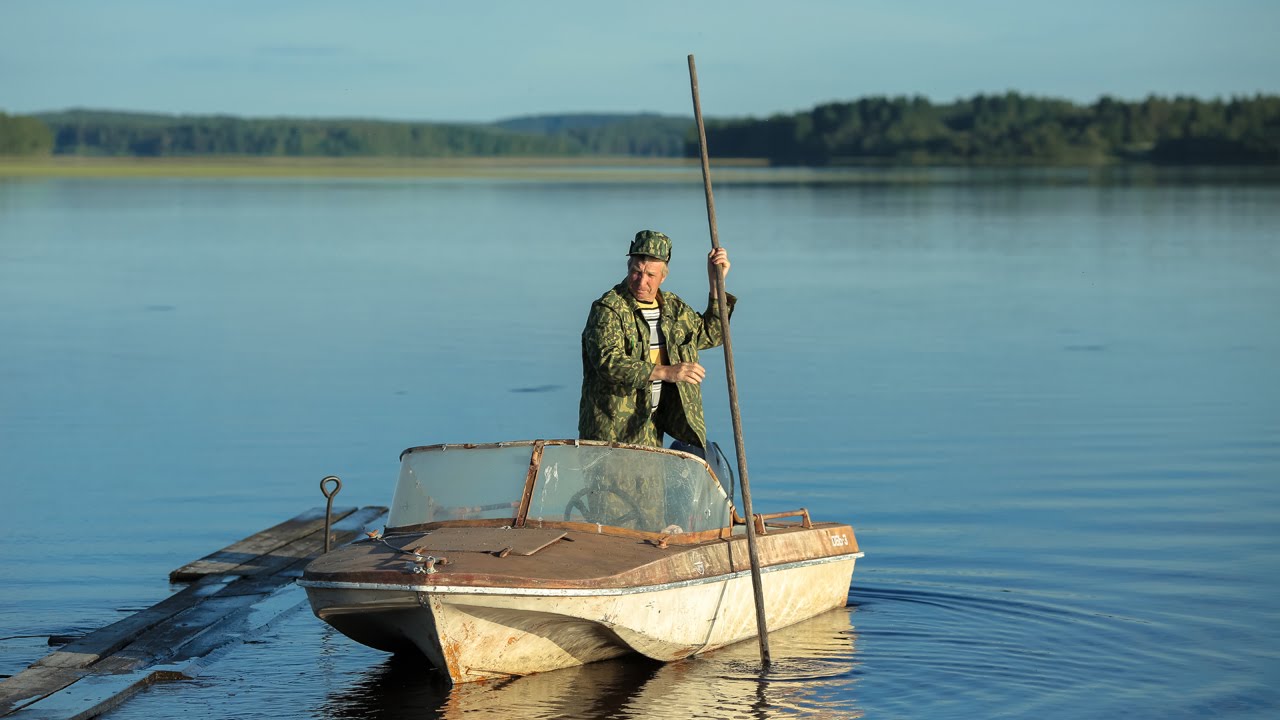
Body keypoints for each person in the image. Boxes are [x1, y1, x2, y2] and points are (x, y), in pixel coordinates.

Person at [579, 229, 734, 451]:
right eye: (636, 272)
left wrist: (716, 283)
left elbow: (712, 334)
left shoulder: (673, 308)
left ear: (663, 276)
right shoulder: (608, 309)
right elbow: (608, 362)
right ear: (628, 267)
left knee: (650, 487)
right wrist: (667, 372)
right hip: (611, 433)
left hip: (651, 427)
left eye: (650, 275)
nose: (642, 282)